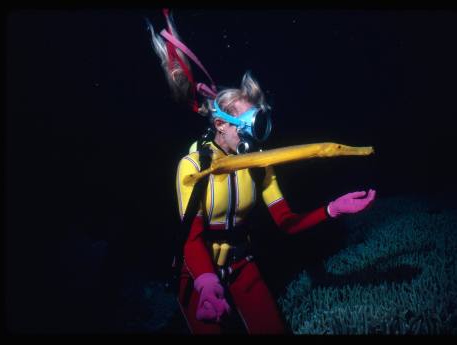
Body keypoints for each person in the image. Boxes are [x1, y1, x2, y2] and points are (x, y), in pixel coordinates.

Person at [148, 10, 376, 334]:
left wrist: (333, 209)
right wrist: (206, 282)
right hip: (198, 273)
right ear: (221, 125)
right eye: (247, 128)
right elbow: (191, 236)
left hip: (243, 266)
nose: (253, 139)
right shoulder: (193, 166)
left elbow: (286, 222)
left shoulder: (260, 167)